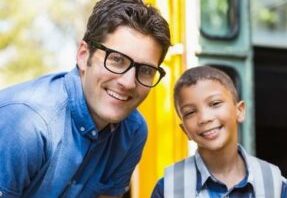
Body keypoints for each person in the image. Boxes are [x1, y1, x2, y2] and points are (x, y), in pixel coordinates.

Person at [0, 0, 170, 197]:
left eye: (146, 70)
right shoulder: (27, 126)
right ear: (83, 55)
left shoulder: (133, 131)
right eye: (116, 60)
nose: (129, 82)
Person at [151, 66, 287, 198]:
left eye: (215, 104)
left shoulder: (274, 183)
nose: (204, 118)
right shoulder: (168, 188)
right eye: (190, 112)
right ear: (185, 130)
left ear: (240, 110)